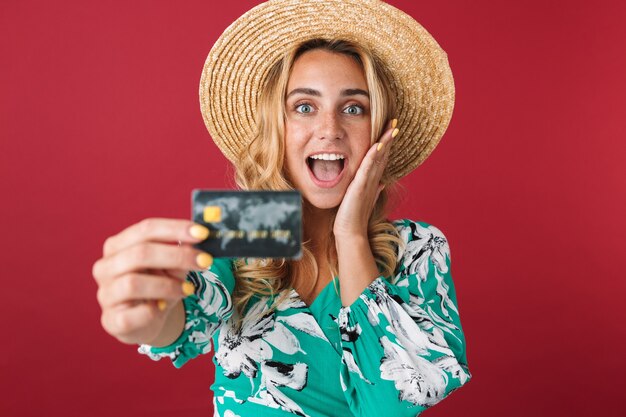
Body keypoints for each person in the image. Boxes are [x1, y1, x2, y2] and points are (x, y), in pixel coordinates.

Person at [92, 1, 472, 416]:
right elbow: (182, 320)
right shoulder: (248, 224)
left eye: (353, 108)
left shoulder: (417, 249)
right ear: (278, 127)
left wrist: (350, 235)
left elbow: (391, 404)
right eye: (304, 107)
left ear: (379, 135)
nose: (329, 130)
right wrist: (143, 315)